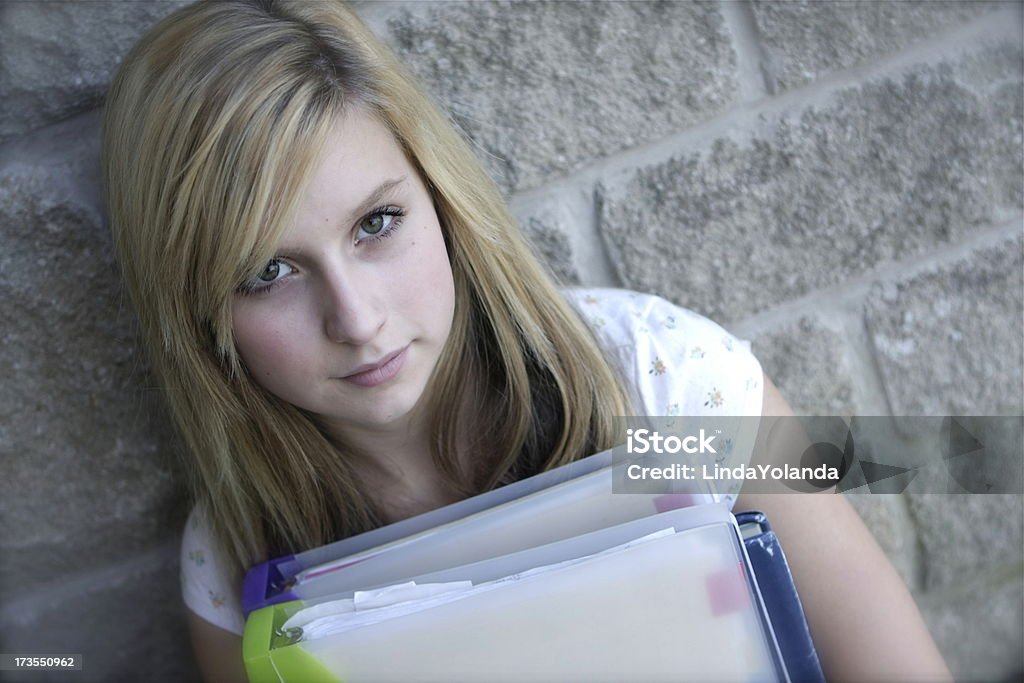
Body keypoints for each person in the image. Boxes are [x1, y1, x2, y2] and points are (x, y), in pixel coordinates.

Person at [102, 1, 951, 681]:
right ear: (198, 314)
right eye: (268, 272)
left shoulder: (662, 382)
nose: (356, 319)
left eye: (377, 222)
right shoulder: (239, 547)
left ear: (442, 197)